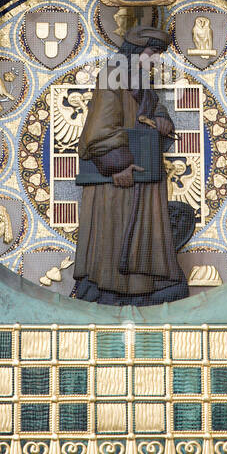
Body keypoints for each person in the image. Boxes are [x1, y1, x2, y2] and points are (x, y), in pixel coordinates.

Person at [72, 23, 189, 304]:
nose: (156, 59)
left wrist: (162, 119)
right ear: (136, 50)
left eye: (159, 54)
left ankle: (144, 289)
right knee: (116, 229)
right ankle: (110, 293)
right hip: (120, 177)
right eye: (153, 52)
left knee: (139, 231)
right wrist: (117, 165)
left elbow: (152, 109)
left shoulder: (138, 80)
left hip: (142, 175)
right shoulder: (112, 76)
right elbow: (99, 129)